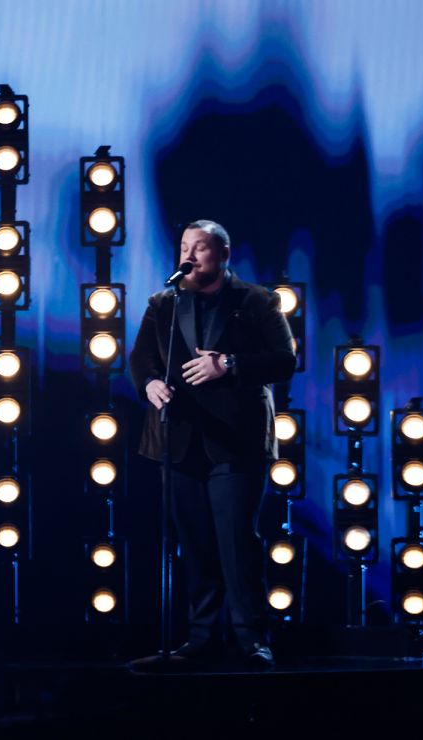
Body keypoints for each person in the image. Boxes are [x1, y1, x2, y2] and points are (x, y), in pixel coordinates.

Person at [129, 220, 295, 669]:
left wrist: (230, 364)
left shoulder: (256, 301)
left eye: (199, 247)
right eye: (184, 246)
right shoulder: (164, 303)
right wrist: (149, 385)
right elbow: (140, 357)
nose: (189, 255)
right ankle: (201, 637)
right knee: (195, 543)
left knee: (237, 543)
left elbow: (285, 360)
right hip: (179, 440)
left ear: (222, 253)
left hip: (236, 442)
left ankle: (252, 640)